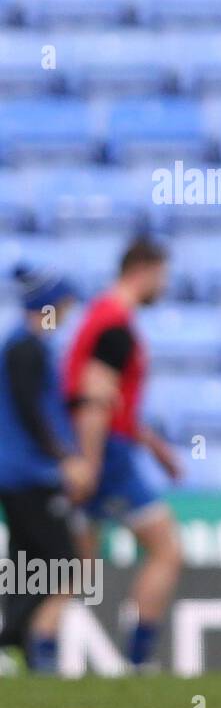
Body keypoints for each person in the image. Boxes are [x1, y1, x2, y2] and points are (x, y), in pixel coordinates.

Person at [64, 238, 184, 671]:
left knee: (77, 562)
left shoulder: (102, 317)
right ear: (144, 270)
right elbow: (95, 398)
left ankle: (36, 649)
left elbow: (110, 398)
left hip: (108, 447)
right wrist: (91, 464)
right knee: (167, 550)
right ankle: (138, 655)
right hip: (108, 455)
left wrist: (157, 449)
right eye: (162, 277)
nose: (163, 287)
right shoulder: (115, 324)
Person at [0, 267, 94, 672]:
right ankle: (18, 638)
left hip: (21, 472)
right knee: (65, 561)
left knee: (25, 563)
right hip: (28, 475)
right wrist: (65, 459)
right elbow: (31, 412)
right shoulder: (27, 348)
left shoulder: (27, 347)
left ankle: (21, 643)